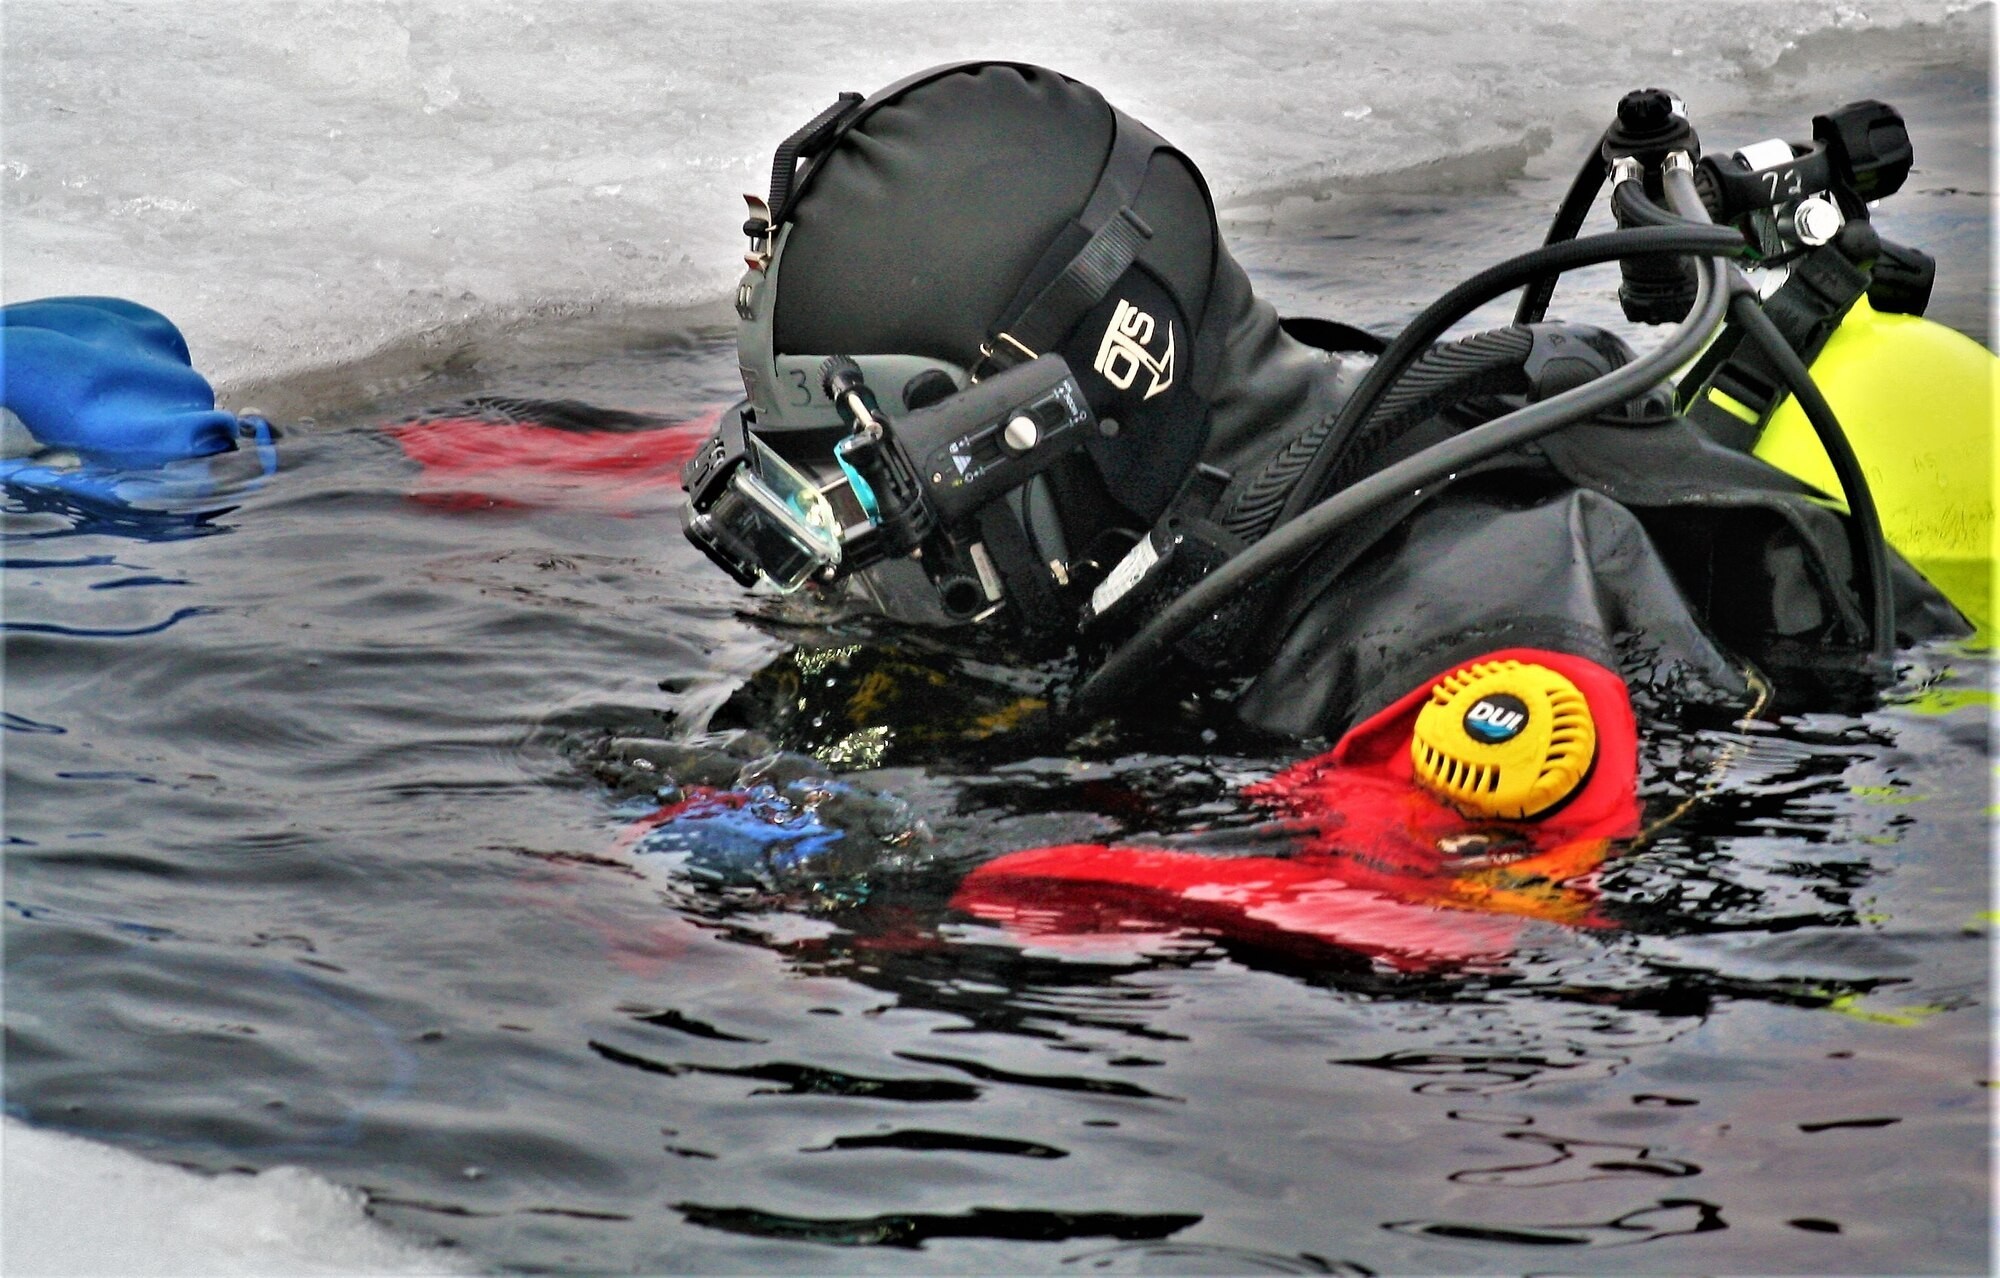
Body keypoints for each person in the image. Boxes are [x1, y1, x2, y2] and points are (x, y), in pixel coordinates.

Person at [659, 62, 1978, 959]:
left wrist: (912, 869)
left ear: (1069, 423)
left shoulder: (1471, 614)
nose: (825, 558)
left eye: (863, 480)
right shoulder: (1231, 499)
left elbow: (1469, 922)